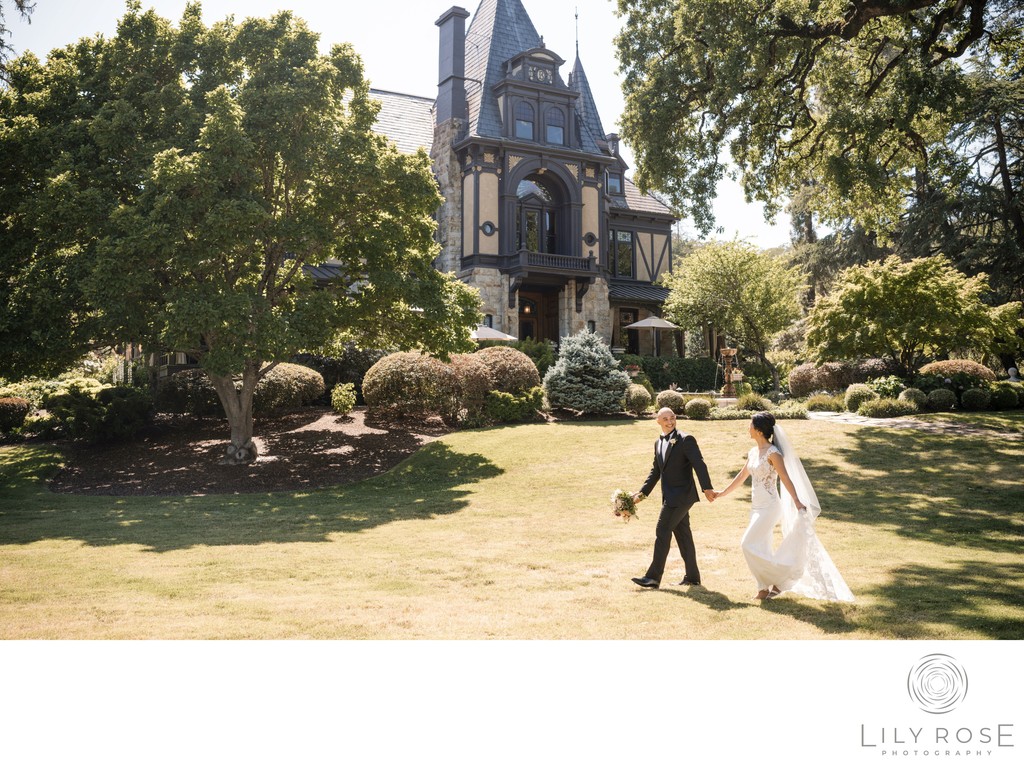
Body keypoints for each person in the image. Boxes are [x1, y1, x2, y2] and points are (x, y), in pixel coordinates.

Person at [711, 412, 854, 602]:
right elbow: (742, 476)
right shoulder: (753, 452)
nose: (748, 428)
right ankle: (763, 588)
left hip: (770, 507)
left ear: (759, 430)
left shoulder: (773, 454)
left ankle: (780, 578)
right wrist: (722, 493)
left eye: (750, 425)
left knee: (747, 544)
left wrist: (796, 500)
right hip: (756, 507)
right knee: (761, 546)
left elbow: (785, 478)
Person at [630, 407, 716, 589]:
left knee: (662, 531)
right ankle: (693, 577)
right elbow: (655, 472)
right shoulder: (658, 443)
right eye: (666, 419)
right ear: (658, 421)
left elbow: (699, 464)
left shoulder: (686, 440)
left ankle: (653, 577)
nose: (670, 422)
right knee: (683, 536)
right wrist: (642, 494)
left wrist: (707, 488)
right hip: (670, 496)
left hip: (682, 496)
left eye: (672, 418)